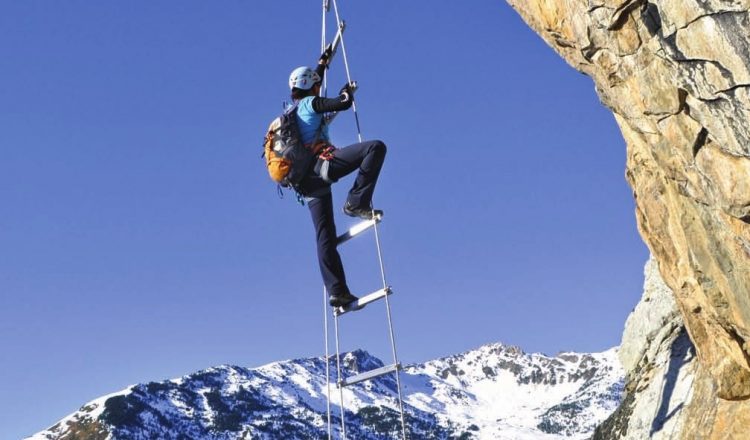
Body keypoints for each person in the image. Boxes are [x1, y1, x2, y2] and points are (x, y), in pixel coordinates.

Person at [288, 49, 387, 308]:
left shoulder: (295, 110)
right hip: (323, 166)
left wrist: (321, 64)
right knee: (375, 147)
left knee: (325, 237)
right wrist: (346, 92)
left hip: (305, 183)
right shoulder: (312, 104)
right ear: (311, 86)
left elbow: (313, 83)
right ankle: (356, 202)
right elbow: (341, 102)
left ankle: (337, 291)